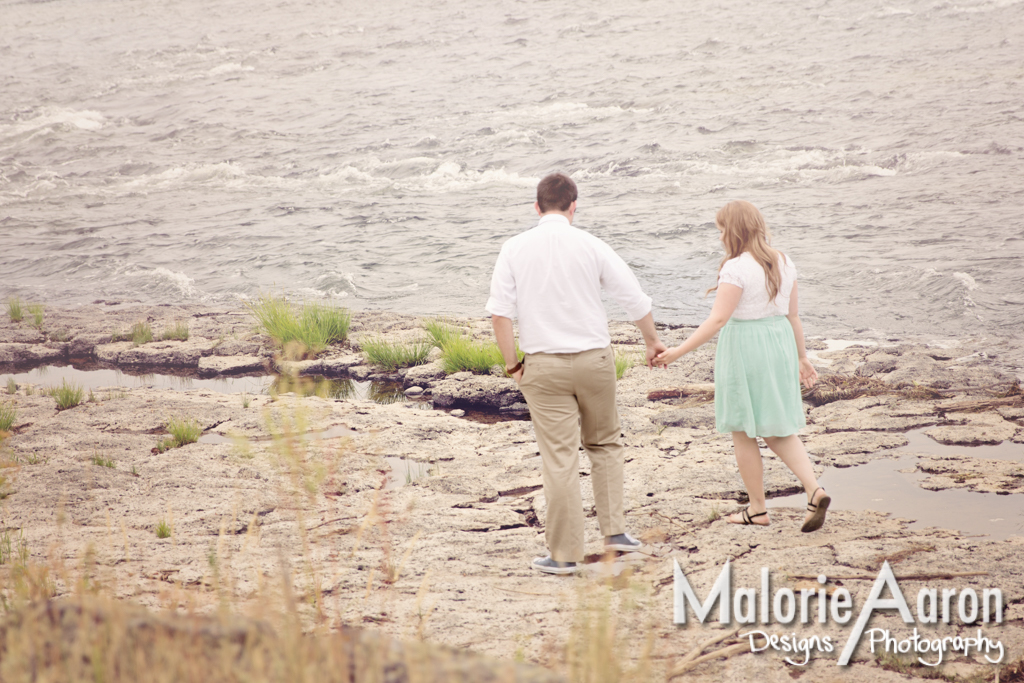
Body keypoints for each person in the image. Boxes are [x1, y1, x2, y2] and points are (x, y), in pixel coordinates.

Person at [486, 172, 667, 574]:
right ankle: (615, 533)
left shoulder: (514, 248)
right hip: (595, 362)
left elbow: (500, 313)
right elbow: (633, 299)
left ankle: (565, 555)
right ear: (573, 206)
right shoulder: (591, 244)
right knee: (604, 443)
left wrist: (513, 363)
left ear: (536, 207)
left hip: (544, 366)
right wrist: (652, 341)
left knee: (560, 459)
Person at [654, 200, 829, 532]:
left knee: (742, 428)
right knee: (776, 427)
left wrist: (677, 352)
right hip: (779, 343)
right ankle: (814, 489)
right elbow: (793, 316)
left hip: (746, 347)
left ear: (733, 231)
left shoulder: (735, 267)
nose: (719, 236)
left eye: (721, 229)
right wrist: (801, 357)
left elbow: (718, 319)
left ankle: (758, 509)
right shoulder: (785, 262)